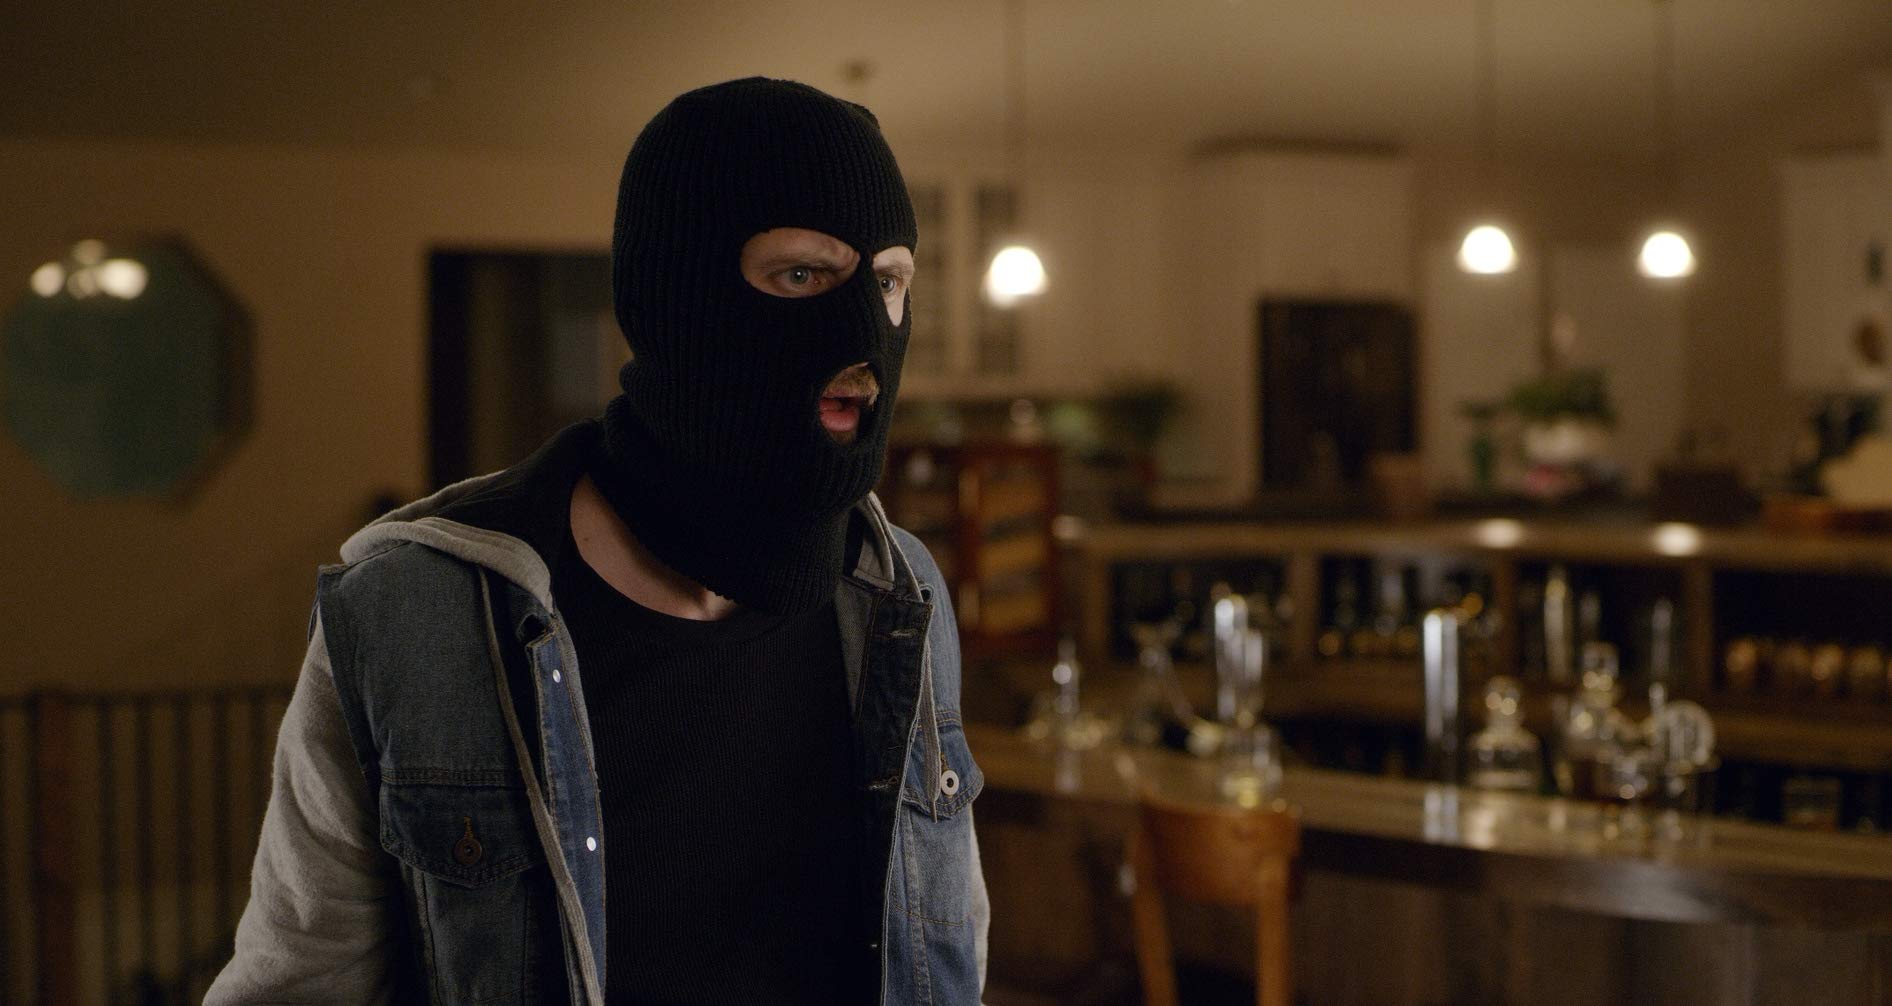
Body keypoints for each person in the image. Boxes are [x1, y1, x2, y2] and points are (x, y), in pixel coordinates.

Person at [207, 77, 988, 1005]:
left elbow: (946, 949)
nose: (863, 335)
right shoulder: (413, 615)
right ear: (672, 298)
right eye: (800, 275)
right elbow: (296, 983)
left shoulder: (900, 592)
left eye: (889, 281)